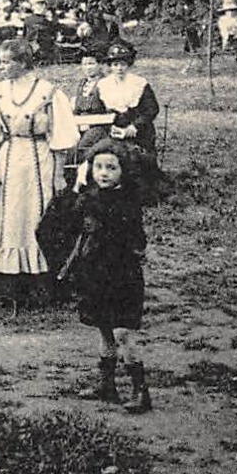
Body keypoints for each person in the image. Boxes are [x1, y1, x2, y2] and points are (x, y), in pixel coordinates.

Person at [0, 39, 78, 306]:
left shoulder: (48, 92)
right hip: (9, 158)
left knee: (39, 214)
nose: (2, 67)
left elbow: (61, 136)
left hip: (39, 158)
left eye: (7, 61)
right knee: (9, 218)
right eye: (0, 61)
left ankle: (43, 283)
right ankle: (9, 284)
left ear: (23, 62)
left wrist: (59, 174)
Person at [64, 139, 151, 413]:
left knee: (122, 332)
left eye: (111, 168)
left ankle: (140, 389)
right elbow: (65, 217)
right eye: (98, 167)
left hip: (122, 276)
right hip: (96, 273)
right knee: (103, 329)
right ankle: (106, 383)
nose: (103, 173)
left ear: (123, 171)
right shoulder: (88, 197)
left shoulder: (127, 202)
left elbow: (136, 239)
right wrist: (77, 188)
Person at [97, 40, 161, 160]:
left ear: (128, 65)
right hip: (113, 127)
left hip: (138, 128)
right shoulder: (103, 85)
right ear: (110, 66)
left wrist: (134, 126)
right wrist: (110, 126)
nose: (119, 69)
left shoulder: (139, 83)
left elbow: (152, 109)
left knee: (139, 157)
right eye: (115, 65)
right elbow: (99, 110)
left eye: (123, 64)